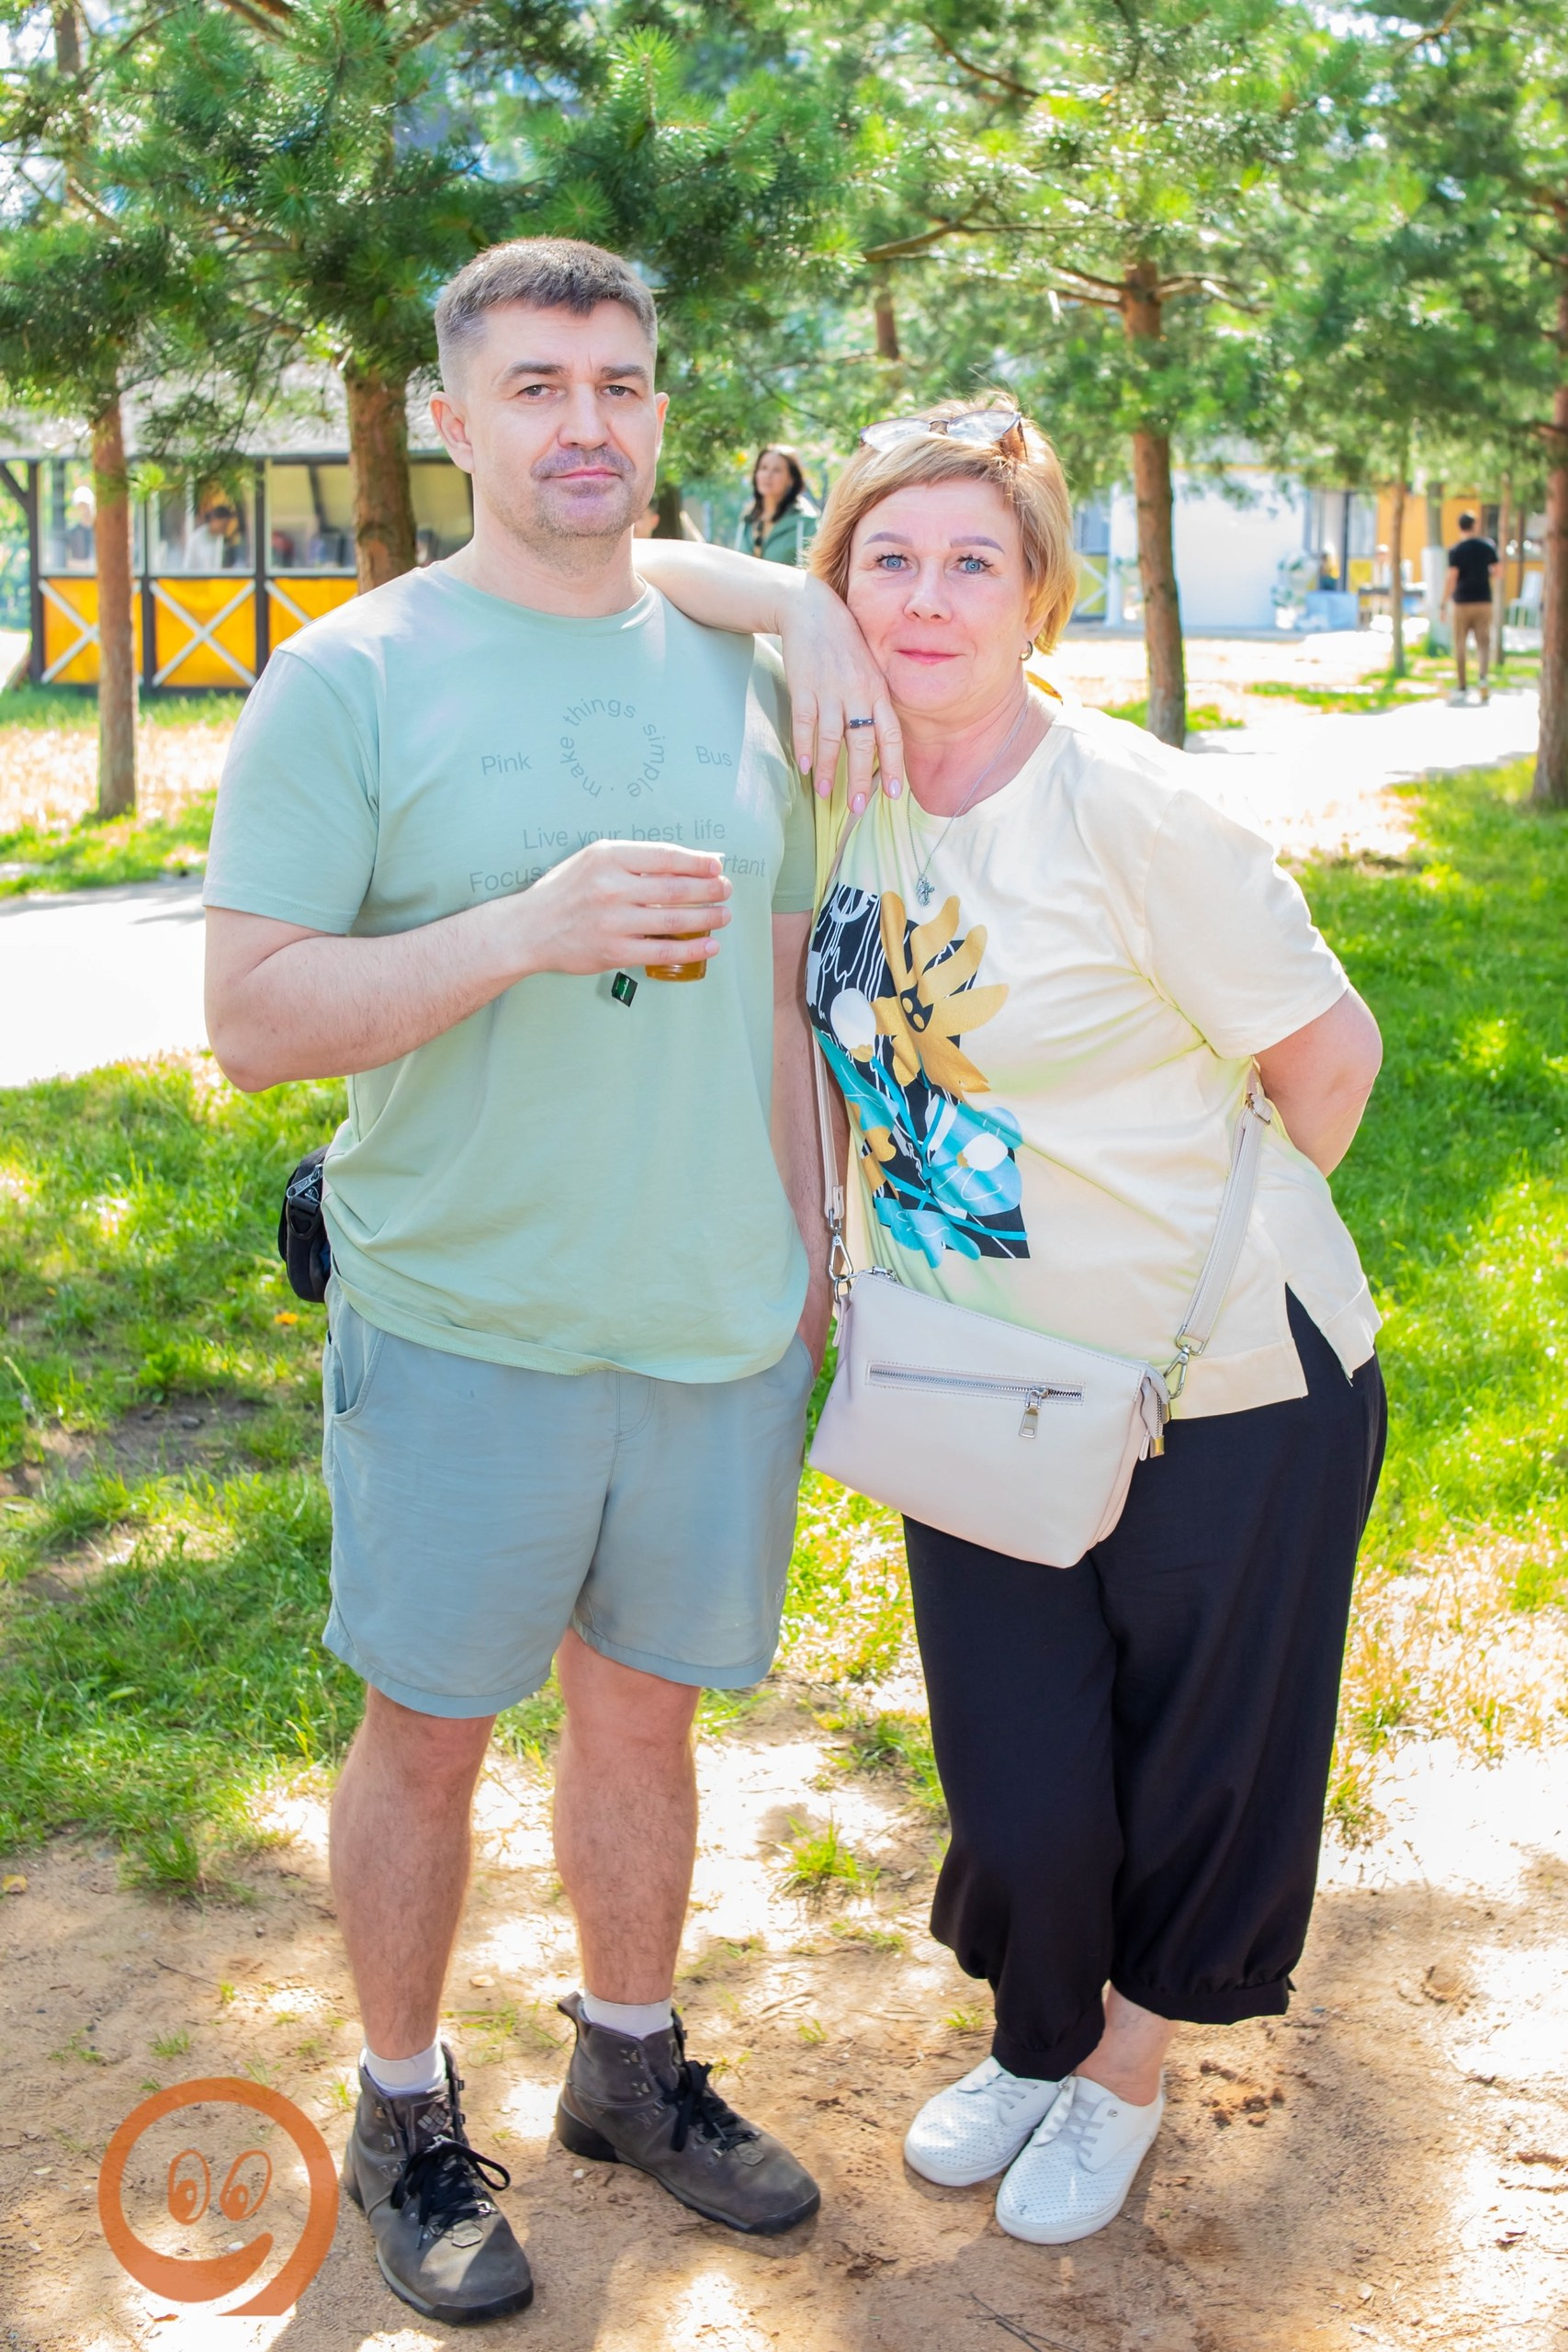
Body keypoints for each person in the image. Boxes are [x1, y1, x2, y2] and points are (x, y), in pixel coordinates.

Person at [201, 235, 894, 2327]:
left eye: (617, 383)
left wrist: (814, 1245)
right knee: (425, 1736)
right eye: (532, 387)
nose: (583, 424)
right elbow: (252, 1017)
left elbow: (790, 989)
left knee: (643, 1721)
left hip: (710, 1319)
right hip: (461, 1318)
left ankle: (627, 2059)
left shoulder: (755, 674)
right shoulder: (353, 677)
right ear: (451, 416)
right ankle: (402, 2109)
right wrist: (525, 925)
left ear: (658, 406)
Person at [795, 399, 1385, 2245]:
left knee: (1198, 1755)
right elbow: (627, 568)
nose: (924, 597)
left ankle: (1120, 2063)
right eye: (884, 558)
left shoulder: (1134, 811)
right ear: (829, 590)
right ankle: (1035, 2028)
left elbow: (1330, 1065)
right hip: (970, 1381)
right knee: (1017, 1768)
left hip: (1221, 1385)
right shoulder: (831, 787)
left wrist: (1139, 1243)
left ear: (1040, 598)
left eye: (972, 561)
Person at [1440, 510, 1498, 704]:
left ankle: (1462, 685)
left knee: (1460, 643)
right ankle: (1483, 679)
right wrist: (1484, 573)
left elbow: (1452, 578)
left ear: (1460, 527)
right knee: (1484, 643)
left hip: (1462, 602)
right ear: (1475, 525)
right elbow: (1499, 572)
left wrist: (1443, 603)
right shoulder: (1488, 546)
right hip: (1483, 601)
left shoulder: (1456, 550)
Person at [737, 446, 819, 567]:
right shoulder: (747, 518)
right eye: (763, 468)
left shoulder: (805, 521)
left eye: (777, 470)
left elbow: (814, 569)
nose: (768, 475)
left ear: (791, 479)